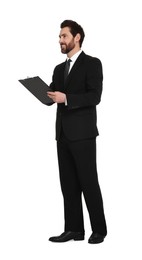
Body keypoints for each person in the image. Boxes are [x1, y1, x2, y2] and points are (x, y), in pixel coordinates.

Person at [47, 20, 107, 244]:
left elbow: (94, 96)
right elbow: (52, 97)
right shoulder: (58, 68)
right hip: (62, 134)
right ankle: (74, 229)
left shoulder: (92, 64)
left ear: (77, 37)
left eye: (64, 36)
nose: (60, 40)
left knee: (88, 182)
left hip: (83, 134)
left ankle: (99, 230)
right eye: (60, 37)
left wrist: (67, 98)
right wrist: (43, 94)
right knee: (68, 183)